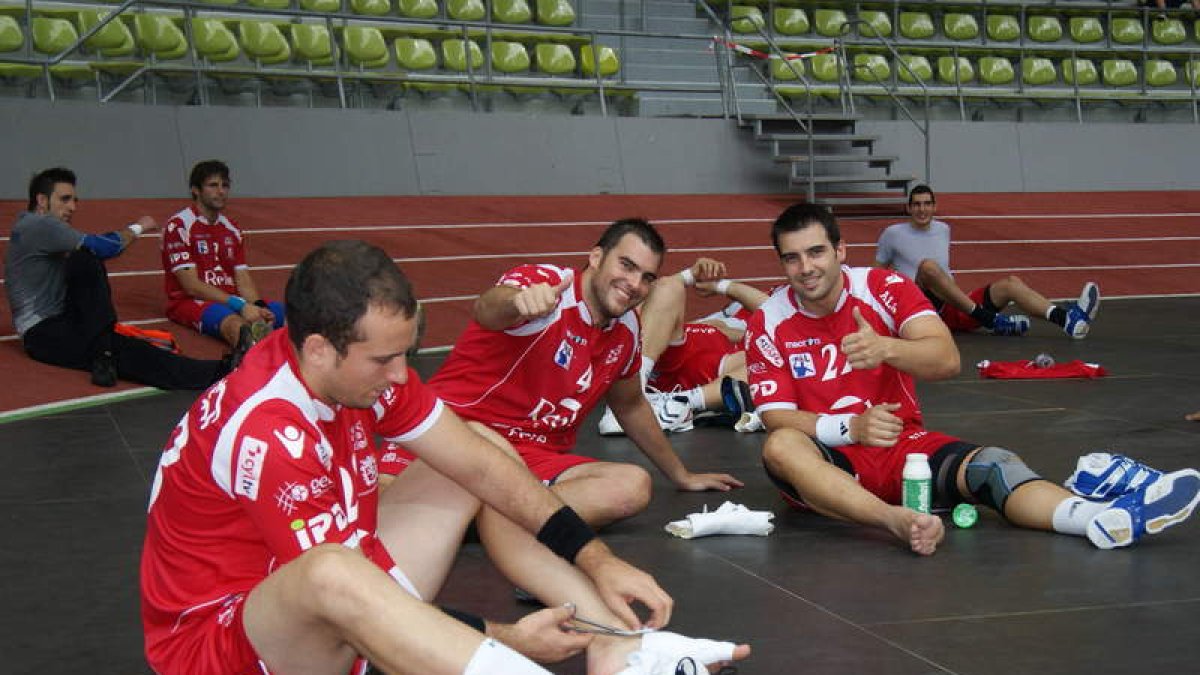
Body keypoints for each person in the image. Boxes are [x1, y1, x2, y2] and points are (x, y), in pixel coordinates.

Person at [140, 240, 750, 675]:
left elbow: (480, 467)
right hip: (228, 647)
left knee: (485, 447)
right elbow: (346, 605)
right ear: (321, 349)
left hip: (339, 588)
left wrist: (599, 560)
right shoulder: (269, 431)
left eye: (404, 355)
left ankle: (617, 643)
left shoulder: (344, 367)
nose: (400, 377)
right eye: (384, 361)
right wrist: (508, 639)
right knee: (332, 572)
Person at [746, 203, 1200, 555]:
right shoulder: (769, 319)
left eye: (816, 252)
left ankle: (1094, 518)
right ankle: (895, 521)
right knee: (781, 446)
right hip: (827, 464)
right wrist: (851, 428)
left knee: (994, 465)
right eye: (792, 258)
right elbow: (775, 417)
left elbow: (947, 359)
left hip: (902, 447)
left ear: (840, 251)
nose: (806, 268)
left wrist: (887, 348)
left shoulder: (883, 288)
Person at [415, 219, 744, 529]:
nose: (634, 284)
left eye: (646, 277)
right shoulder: (549, 285)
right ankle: (494, 519)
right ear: (596, 257)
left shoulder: (628, 329)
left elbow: (630, 405)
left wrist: (681, 474)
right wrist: (518, 302)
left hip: (533, 458)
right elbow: (487, 310)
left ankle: (477, 519)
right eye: (626, 266)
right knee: (392, 491)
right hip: (460, 434)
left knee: (631, 486)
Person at [4, 167, 230, 390]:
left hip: (64, 320)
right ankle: (219, 373)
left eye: (74, 200)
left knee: (85, 263)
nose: (72, 207)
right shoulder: (40, 225)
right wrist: (139, 226)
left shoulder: (30, 226)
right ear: (42, 200)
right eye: (64, 199)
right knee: (128, 350)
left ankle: (104, 351)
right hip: (43, 334)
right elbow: (104, 247)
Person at [876, 184, 1100, 339]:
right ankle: (989, 319)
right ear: (908, 208)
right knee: (928, 267)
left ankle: (1067, 320)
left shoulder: (943, 229)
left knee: (1011, 284)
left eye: (927, 204)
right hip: (920, 309)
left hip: (956, 306)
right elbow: (876, 276)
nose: (922, 209)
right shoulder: (892, 234)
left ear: (934, 207)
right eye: (916, 204)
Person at [597, 257, 768, 436]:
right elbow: (661, 293)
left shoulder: (771, 327)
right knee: (668, 288)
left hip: (717, 374)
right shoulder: (730, 318)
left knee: (767, 363)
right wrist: (690, 275)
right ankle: (632, 395)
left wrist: (722, 286)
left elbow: (771, 312)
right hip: (669, 348)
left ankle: (676, 402)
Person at [162, 160, 283, 352]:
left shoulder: (231, 228)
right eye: (213, 185)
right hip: (191, 301)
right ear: (195, 190)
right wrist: (240, 306)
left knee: (292, 316)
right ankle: (254, 364)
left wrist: (258, 306)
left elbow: (242, 278)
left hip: (232, 300)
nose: (221, 191)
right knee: (239, 328)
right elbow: (191, 286)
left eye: (225, 185)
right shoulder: (179, 225)